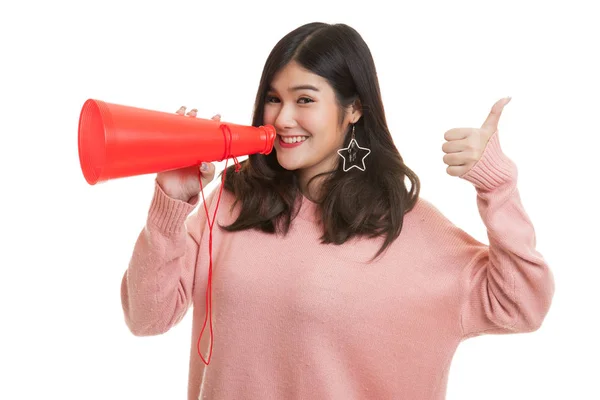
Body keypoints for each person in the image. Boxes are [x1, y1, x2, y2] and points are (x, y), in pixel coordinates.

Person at [120, 22, 555, 400]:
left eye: (305, 99)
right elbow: (147, 317)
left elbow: (521, 306)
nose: (283, 118)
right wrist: (172, 200)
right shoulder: (232, 201)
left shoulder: (406, 227)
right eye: (273, 99)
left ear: (354, 108)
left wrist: (497, 186)